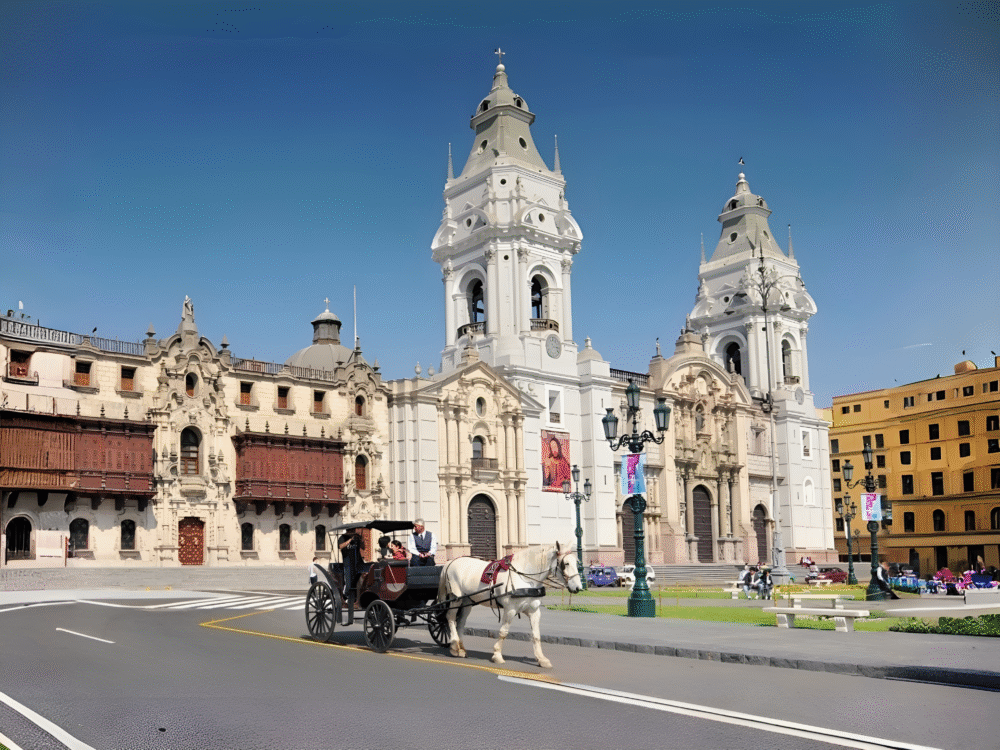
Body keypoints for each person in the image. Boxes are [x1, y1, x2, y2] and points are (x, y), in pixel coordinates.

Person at [338, 530, 364, 598]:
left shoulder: (357, 537)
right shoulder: (342, 537)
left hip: (358, 561)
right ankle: (346, 594)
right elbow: (340, 546)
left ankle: (358, 595)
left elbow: (363, 547)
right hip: (348, 562)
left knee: (360, 580)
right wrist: (350, 540)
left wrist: (361, 540)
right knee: (349, 580)